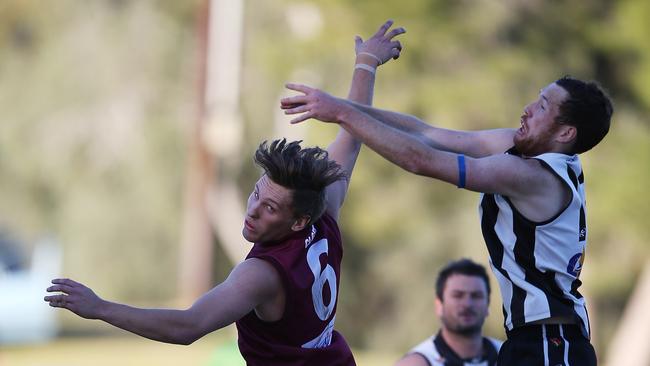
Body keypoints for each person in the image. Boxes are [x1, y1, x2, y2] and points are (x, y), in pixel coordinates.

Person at [43, 20, 405, 365]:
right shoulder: (325, 210)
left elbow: (187, 327)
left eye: (270, 209)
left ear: (297, 222)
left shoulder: (261, 274)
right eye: (256, 195)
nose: (253, 211)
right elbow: (353, 136)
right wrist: (367, 63)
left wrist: (100, 307)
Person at [281, 64, 612, 364]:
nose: (527, 110)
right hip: (534, 341)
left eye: (542, 107)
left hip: (550, 345)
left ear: (565, 133)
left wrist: (340, 113)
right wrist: (344, 102)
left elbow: (421, 159)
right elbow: (427, 134)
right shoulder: (529, 152)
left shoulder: (531, 175)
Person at [395, 259, 501, 366]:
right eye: (458, 295)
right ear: (439, 305)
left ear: (488, 304)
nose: (467, 304)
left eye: (476, 296)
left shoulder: (509, 355)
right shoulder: (417, 362)